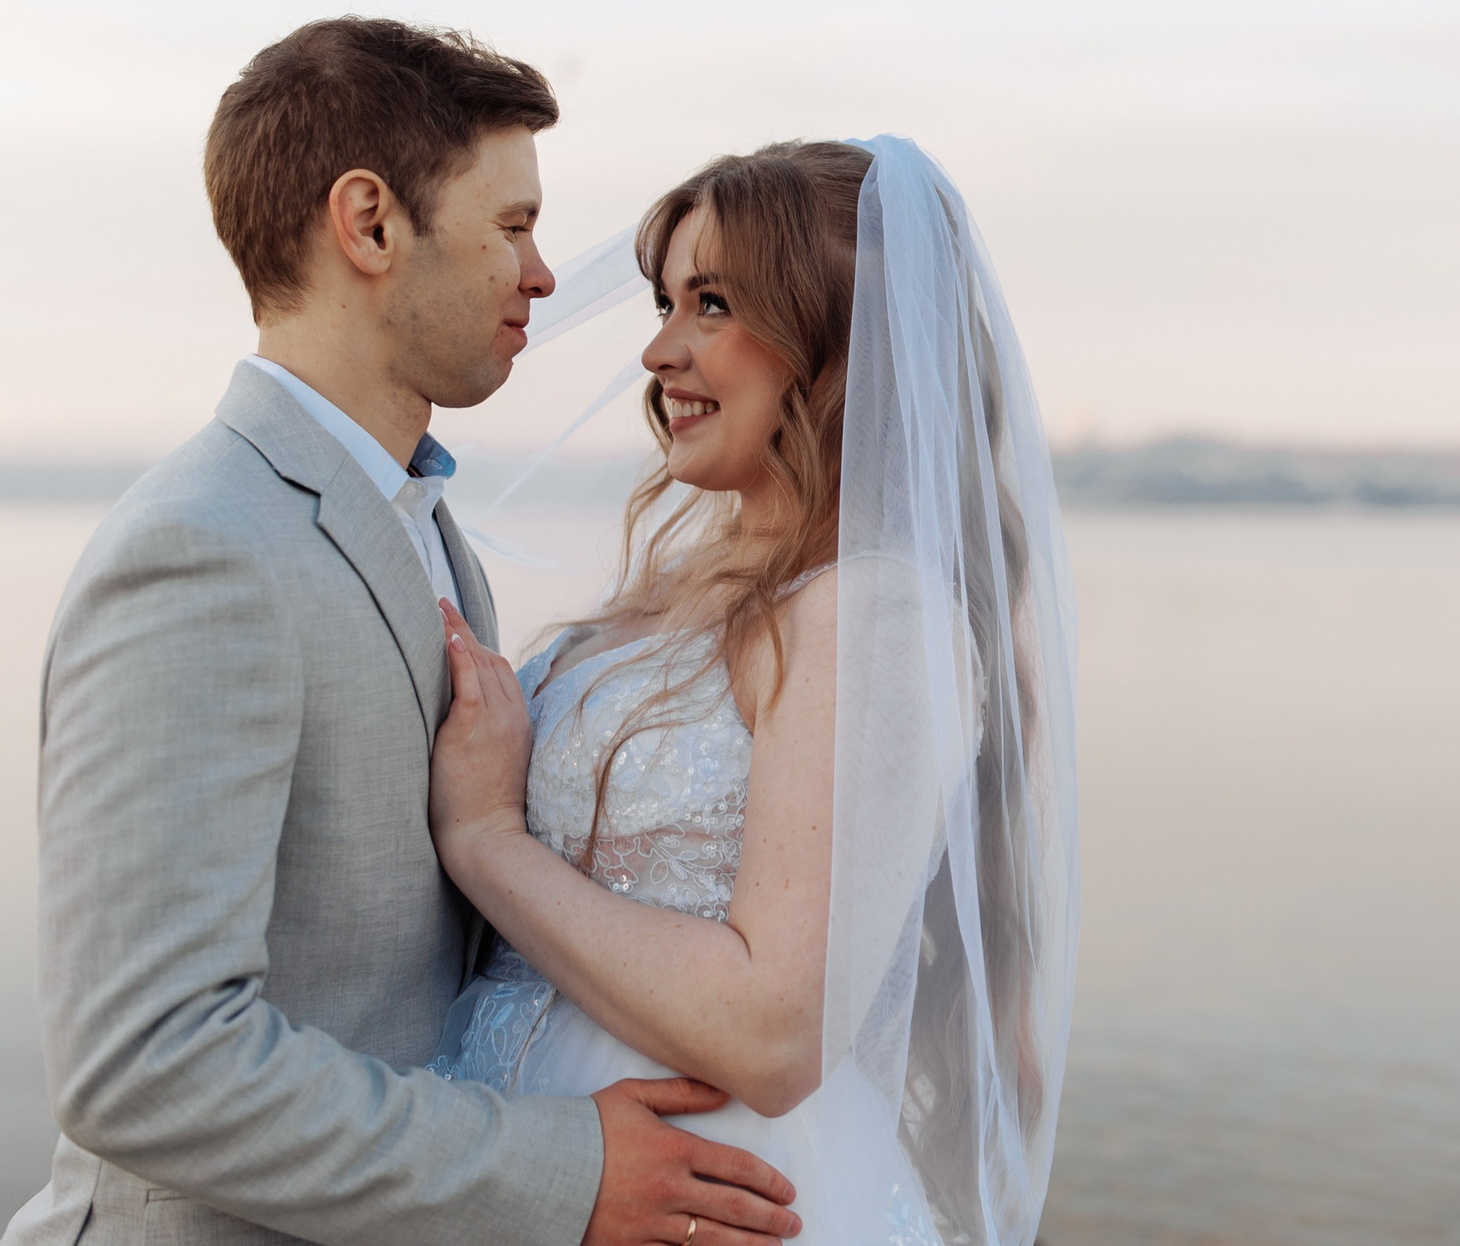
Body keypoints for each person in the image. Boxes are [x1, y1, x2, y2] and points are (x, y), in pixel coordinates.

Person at [1, 18, 802, 1246]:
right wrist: (557, 1171)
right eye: (512, 226)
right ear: (370, 224)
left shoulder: (421, 524)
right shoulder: (202, 550)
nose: (543, 275)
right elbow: (146, 1064)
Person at [425, 138, 1080, 1246]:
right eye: (667, 301)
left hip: (725, 1198)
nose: (658, 350)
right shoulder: (695, 584)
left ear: (837, 343)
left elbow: (775, 1035)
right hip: (546, 1168)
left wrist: (486, 840)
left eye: (713, 305)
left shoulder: (876, 615)